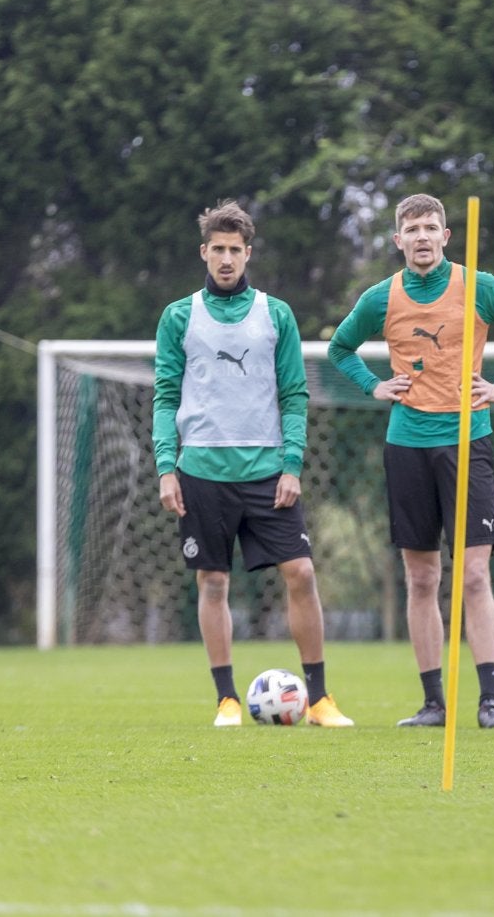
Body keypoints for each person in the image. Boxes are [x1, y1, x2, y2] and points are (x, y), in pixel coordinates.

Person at [329, 194, 494, 729]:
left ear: (447, 236)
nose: (423, 237)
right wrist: (373, 385)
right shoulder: (381, 298)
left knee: (474, 577)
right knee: (422, 578)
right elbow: (340, 349)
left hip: (466, 443)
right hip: (406, 445)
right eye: (413, 229)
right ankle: (433, 702)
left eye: (432, 227)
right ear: (398, 240)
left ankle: (490, 700)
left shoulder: (479, 287)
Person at [153, 200, 353, 728]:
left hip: (268, 472)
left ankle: (319, 700)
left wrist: (292, 464)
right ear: (204, 252)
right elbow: (165, 396)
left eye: (234, 250)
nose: (225, 258)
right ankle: (227, 699)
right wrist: (166, 467)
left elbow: (293, 393)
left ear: (248, 253)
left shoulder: (276, 314)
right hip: (201, 472)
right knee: (213, 584)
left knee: (302, 573)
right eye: (217, 249)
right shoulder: (179, 316)